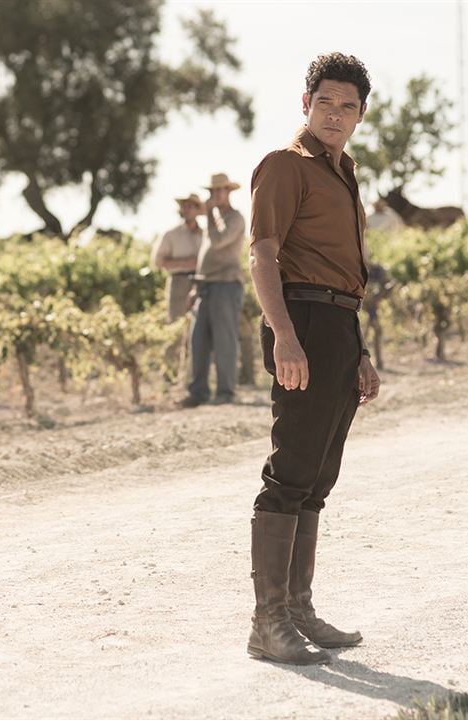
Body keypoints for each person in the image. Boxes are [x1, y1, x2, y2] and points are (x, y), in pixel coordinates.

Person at [245, 52, 378, 666]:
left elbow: (344, 273)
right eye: (325, 101)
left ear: (360, 115)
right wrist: (284, 336)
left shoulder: (344, 171)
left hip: (339, 326)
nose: (335, 113)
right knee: (290, 471)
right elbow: (263, 256)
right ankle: (267, 623)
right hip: (301, 321)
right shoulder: (284, 166)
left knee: (319, 479)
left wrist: (360, 351)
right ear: (307, 103)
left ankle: (298, 611)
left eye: (347, 105)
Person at [179, 173, 246, 408]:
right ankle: (198, 392)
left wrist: (207, 214)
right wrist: (195, 286)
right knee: (198, 340)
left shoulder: (235, 219)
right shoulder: (213, 219)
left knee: (224, 340)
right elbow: (204, 255)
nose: (214, 195)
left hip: (226, 285)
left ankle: (226, 392)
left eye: (219, 191)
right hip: (205, 286)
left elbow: (218, 242)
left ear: (228, 192)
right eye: (211, 191)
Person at [151, 194, 204, 322]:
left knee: (199, 326)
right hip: (178, 282)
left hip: (202, 284)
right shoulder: (171, 234)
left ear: (198, 210)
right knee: (177, 324)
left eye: (191, 206)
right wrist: (186, 263)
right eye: (184, 206)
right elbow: (158, 262)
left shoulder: (206, 234)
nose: (187, 209)